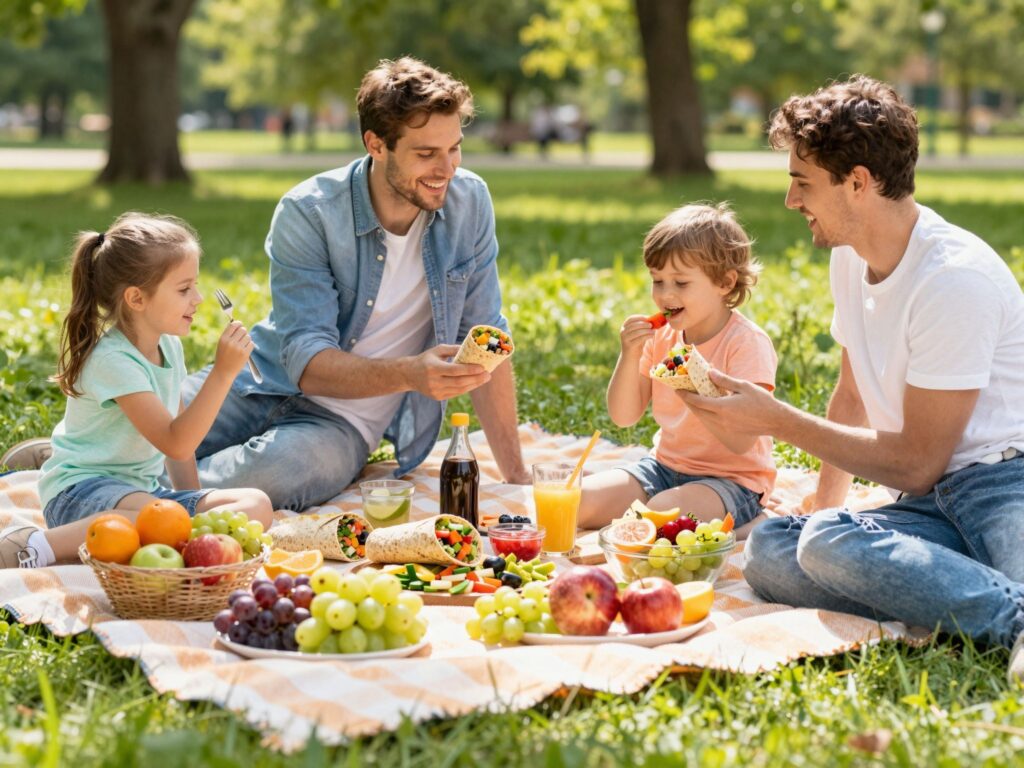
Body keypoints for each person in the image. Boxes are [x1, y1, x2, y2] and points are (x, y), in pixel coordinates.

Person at [676, 76, 1024, 681]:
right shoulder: (851, 256)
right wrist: (825, 508)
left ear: (857, 183)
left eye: (802, 182)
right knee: (778, 549)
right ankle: (979, 592)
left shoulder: (952, 279)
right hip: (929, 502)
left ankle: (1009, 614)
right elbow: (854, 391)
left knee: (824, 546)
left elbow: (915, 461)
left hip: (1005, 487)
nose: (790, 201)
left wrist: (776, 420)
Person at [182, 57, 530, 512]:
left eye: (454, 149)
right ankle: (117, 481)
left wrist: (518, 478)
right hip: (257, 380)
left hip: (340, 424)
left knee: (273, 475)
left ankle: (143, 497)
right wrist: (411, 373)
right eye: (426, 154)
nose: (446, 169)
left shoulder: (470, 202)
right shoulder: (309, 211)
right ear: (376, 144)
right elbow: (306, 359)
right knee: (133, 428)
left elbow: (488, 340)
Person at [0, 213, 273, 568]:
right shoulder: (113, 360)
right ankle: (38, 545)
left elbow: (178, 450)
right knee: (147, 521)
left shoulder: (169, 347)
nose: (200, 298)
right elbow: (176, 441)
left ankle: (170, 531)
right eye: (184, 289)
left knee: (257, 504)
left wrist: (188, 497)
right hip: (79, 493)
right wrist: (222, 373)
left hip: (144, 495)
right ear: (136, 299)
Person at [578, 203, 777, 536]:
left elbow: (742, 442)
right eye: (658, 281)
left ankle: (752, 523)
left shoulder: (747, 344)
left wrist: (695, 389)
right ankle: (714, 526)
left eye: (681, 283)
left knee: (659, 517)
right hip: (664, 468)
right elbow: (624, 416)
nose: (665, 295)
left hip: (732, 482)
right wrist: (630, 353)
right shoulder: (662, 338)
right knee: (579, 502)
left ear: (725, 283)